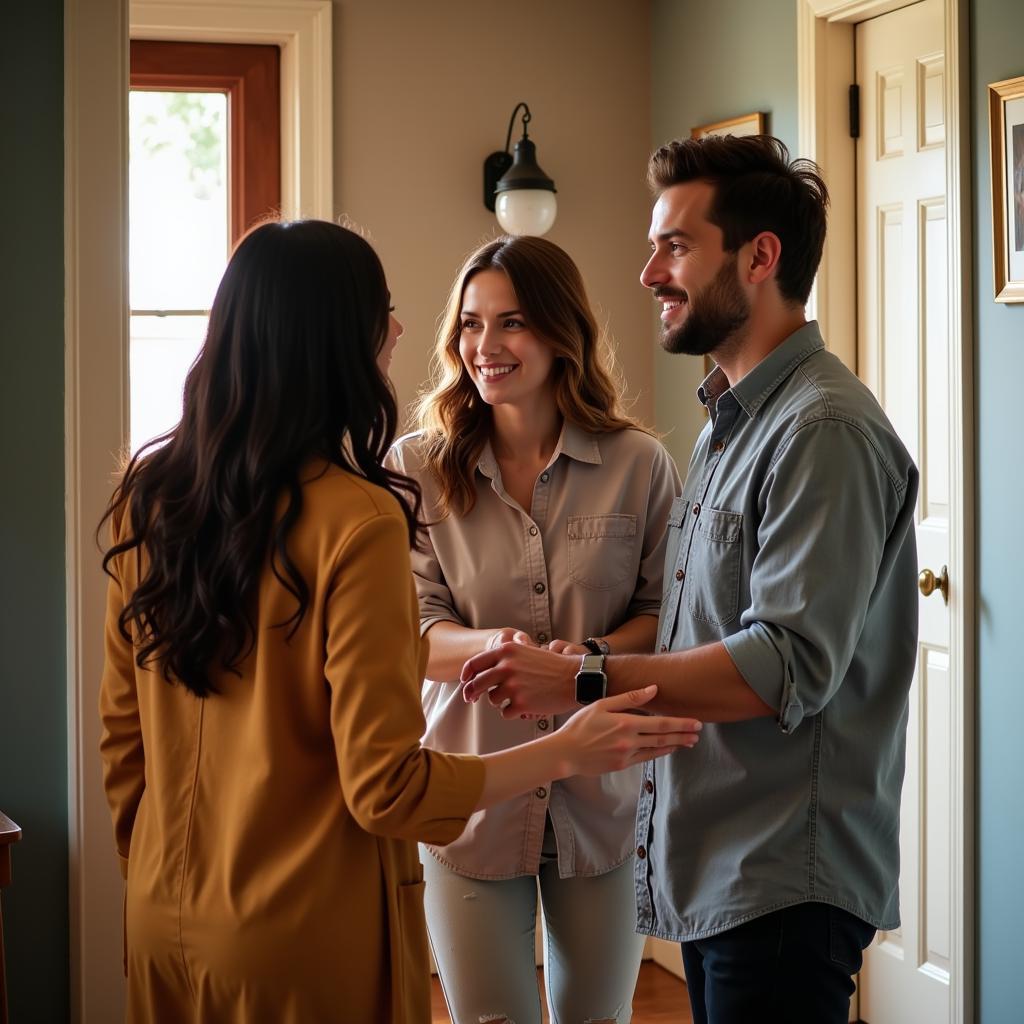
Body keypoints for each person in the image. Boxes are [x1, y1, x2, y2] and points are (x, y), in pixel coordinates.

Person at [96, 219, 703, 1024]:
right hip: (307, 927)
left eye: (512, 320)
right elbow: (387, 787)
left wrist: (159, 873)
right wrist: (560, 741)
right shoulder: (365, 509)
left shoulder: (150, 492)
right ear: (333, 338)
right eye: (382, 311)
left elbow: (121, 741)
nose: (403, 329)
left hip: (168, 920)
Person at [459, 136, 920, 1024]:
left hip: (783, 878)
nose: (647, 274)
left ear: (759, 257)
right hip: (715, 863)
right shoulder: (725, 426)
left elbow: (782, 664)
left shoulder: (821, 430)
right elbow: (693, 631)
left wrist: (582, 675)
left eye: (674, 246)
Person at [386, 234, 682, 1024]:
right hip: (469, 796)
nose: (486, 347)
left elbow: (669, 616)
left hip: (606, 800)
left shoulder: (640, 464)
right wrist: (497, 650)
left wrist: (584, 661)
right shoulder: (414, 467)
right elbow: (408, 629)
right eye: (471, 325)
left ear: (560, 331)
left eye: (511, 322)